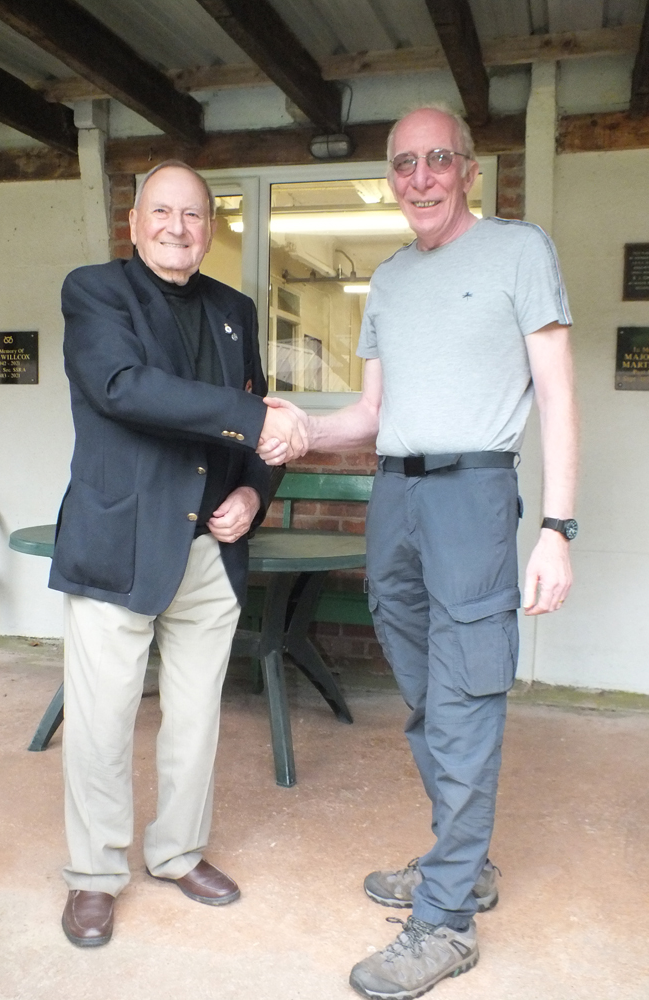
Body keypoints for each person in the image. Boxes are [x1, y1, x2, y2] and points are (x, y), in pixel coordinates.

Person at [259, 105, 578, 998]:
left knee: (468, 692)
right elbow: (367, 417)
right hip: (393, 492)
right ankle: (460, 864)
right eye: (404, 164)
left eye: (439, 159)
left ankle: (442, 922)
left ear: (468, 171)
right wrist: (299, 434)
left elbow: (555, 398)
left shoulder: (520, 251)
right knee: (426, 693)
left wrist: (556, 528)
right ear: (391, 179)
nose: (421, 177)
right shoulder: (389, 279)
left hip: (474, 494)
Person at [49, 161, 306, 947]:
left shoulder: (234, 308)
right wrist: (254, 418)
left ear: (210, 227)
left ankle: (177, 852)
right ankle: (95, 874)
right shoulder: (95, 292)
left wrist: (255, 493)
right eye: (161, 211)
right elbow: (124, 388)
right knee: (101, 723)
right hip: (118, 541)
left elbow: (257, 432)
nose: (176, 227)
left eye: (192, 214)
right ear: (134, 223)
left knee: (195, 720)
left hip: (208, 549)